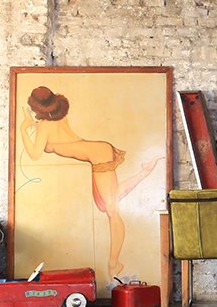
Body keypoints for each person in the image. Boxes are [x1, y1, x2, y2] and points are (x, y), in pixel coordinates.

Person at [18, 85, 160, 280]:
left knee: (113, 210)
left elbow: (34, 154)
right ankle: (146, 171)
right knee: (107, 205)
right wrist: (33, 125)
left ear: (36, 108)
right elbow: (60, 139)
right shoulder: (58, 119)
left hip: (98, 154)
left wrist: (23, 128)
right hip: (98, 150)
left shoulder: (45, 127)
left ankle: (113, 263)